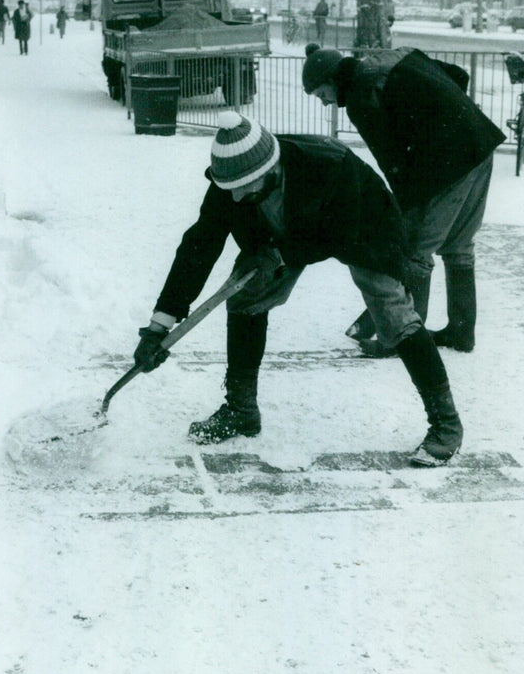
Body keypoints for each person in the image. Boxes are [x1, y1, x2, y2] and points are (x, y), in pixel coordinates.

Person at [132, 111, 463, 467]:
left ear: (270, 170)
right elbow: (198, 247)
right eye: (231, 188)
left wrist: (278, 254)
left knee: (392, 313)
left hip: (363, 225)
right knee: (245, 297)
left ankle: (446, 424)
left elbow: (340, 234)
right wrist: (158, 326)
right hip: (282, 234)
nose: (237, 194)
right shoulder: (229, 183)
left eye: (246, 186)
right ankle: (241, 409)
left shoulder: (328, 166)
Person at [302, 46, 505, 356]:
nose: (325, 101)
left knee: (414, 252)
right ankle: (461, 333)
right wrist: (442, 117)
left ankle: (404, 340)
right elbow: (457, 76)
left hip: (449, 165)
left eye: (321, 93)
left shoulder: (360, 94)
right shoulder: (394, 56)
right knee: (458, 246)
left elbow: (391, 159)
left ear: (333, 79)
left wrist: (404, 209)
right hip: (478, 142)